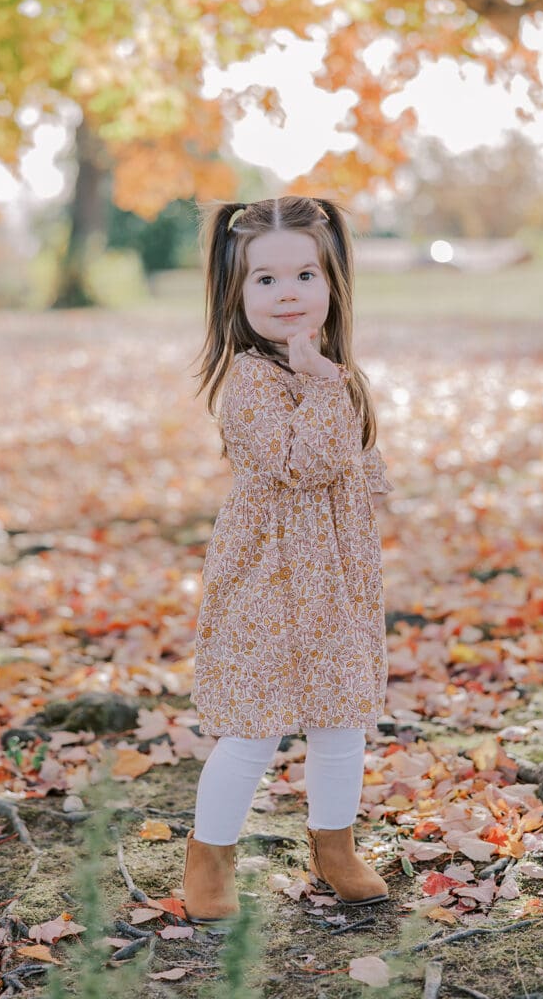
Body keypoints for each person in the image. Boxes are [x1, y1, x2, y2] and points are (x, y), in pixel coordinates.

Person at [181, 196, 394, 922]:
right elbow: (299, 463)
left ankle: (334, 846)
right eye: (264, 281)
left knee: (340, 721)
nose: (288, 294)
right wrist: (323, 385)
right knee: (252, 727)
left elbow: (358, 466)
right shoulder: (249, 379)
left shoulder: (331, 371)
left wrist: (332, 388)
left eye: (304, 274)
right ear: (235, 295)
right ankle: (209, 857)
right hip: (267, 575)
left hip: (333, 576)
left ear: (332, 283)